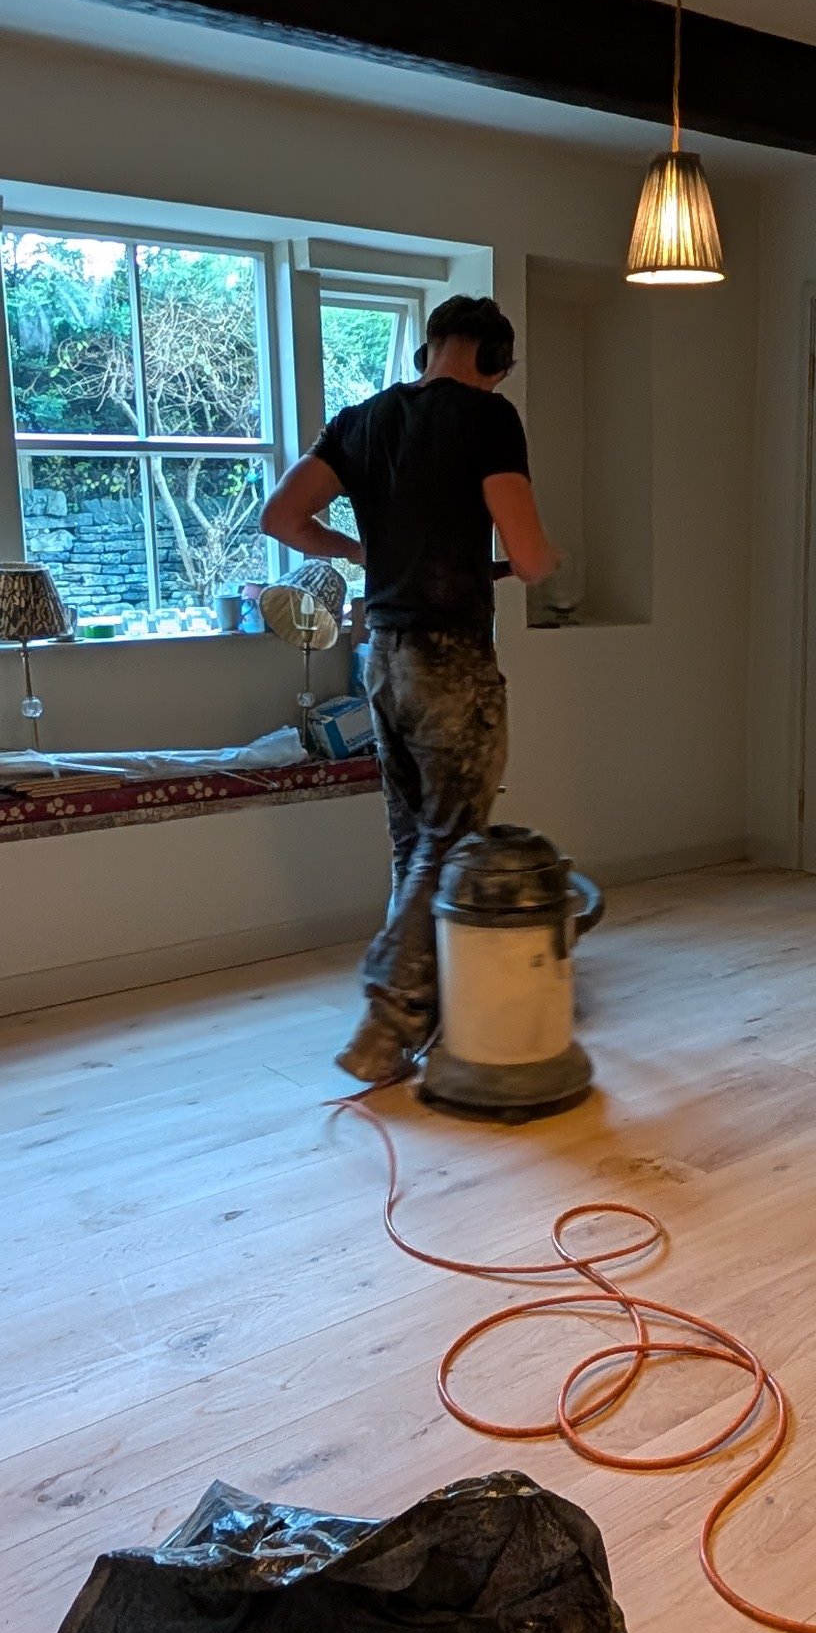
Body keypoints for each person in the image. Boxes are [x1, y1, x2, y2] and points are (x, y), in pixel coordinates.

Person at [261, 295, 559, 1080]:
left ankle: (426, 1006)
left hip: (381, 659)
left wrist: (364, 551)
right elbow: (528, 557)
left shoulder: (359, 420)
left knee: (410, 842)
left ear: (430, 348)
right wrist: (535, 563)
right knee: (450, 841)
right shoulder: (490, 419)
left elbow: (283, 517)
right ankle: (387, 1022)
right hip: (451, 661)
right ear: (497, 362)